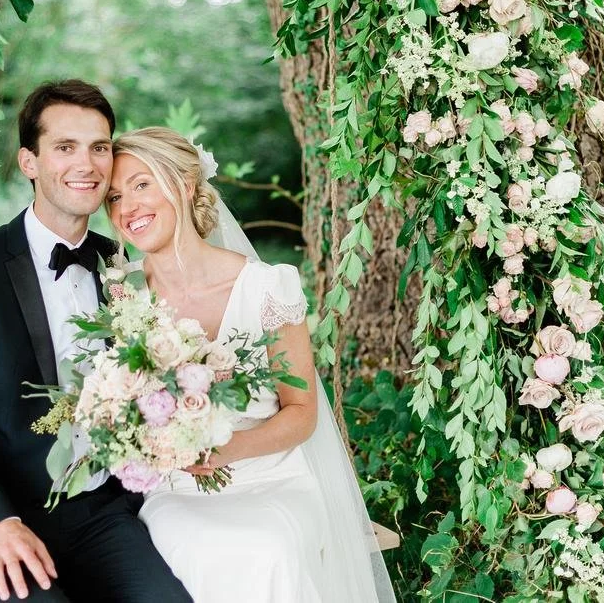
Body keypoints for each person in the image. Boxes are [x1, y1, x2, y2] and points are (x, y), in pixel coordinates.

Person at [0, 82, 191, 603]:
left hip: (100, 511)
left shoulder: (122, 266)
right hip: (1, 515)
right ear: (29, 162)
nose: (85, 164)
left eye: (99, 147)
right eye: (65, 147)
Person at [105, 126, 398, 602]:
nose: (127, 208)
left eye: (142, 185)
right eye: (115, 197)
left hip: (274, 478)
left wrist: (229, 449)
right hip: (179, 489)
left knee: (270, 549)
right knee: (191, 546)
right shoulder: (123, 296)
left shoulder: (266, 287)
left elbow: (302, 412)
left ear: (183, 184)